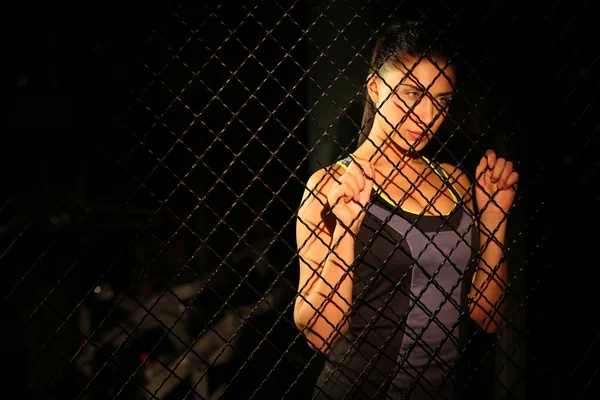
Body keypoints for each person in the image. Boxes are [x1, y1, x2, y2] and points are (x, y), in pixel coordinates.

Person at [293, 20, 519, 400]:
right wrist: (346, 232)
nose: (427, 115)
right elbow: (320, 334)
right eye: (413, 94)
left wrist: (495, 221)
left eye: (441, 101)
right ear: (376, 88)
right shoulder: (330, 185)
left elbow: (489, 317)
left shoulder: (457, 181)